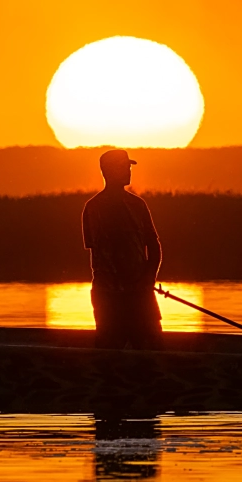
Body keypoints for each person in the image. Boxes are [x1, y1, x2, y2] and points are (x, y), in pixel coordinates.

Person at [82, 149, 163, 349]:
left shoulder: (138, 205)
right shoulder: (93, 209)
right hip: (108, 298)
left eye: (128, 167)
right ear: (108, 171)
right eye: (124, 167)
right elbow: (97, 254)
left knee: (153, 350)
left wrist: (148, 279)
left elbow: (154, 247)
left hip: (140, 295)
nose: (128, 171)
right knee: (108, 352)